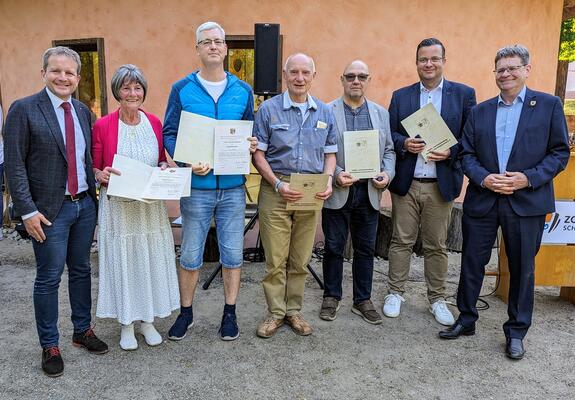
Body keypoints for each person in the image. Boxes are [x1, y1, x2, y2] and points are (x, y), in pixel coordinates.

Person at [439, 45, 570, 360]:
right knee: (471, 263)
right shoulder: (480, 111)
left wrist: (527, 178)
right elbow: (466, 154)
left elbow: (559, 153)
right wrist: (484, 178)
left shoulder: (549, 106)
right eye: (500, 69)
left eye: (512, 68)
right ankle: (467, 319)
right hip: (484, 199)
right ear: (494, 73)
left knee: (523, 268)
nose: (506, 74)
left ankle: (516, 332)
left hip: (526, 200)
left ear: (527, 69)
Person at [3, 46, 108, 377]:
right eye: (56, 71)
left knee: (80, 271)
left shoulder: (81, 110)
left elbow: (81, 160)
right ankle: (49, 345)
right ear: (44, 73)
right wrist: (27, 211)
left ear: (78, 78)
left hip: (83, 205)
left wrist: (96, 177)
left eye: (69, 72)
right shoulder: (23, 109)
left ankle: (82, 331)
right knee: (48, 278)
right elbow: (14, 166)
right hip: (49, 212)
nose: (63, 77)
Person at [163, 21, 256, 342]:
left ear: (226, 48)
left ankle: (229, 314)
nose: (213, 46)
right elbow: (170, 132)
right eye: (206, 41)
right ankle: (185, 313)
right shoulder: (182, 88)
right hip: (197, 189)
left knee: (233, 255)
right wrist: (187, 160)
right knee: (190, 255)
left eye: (218, 41)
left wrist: (251, 144)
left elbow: (249, 131)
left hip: (232, 189)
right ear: (198, 48)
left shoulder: (243, 90)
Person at [385, 38, 476, 325]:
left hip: (441, 183)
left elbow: (471, 138)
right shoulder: (401, 96)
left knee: (436, 244)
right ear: (416, 63)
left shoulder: (463, 95)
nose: (429, 64)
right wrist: (404, 144)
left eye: (434, 59)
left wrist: (451, 151)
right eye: (423, 59)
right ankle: (395, 292)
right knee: (401, 240)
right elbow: (389, 135)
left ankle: (437, 298)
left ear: (443, 61)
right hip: (407, 181)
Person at [92, 64, 180, 351]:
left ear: (144, 91)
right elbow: (93, 166)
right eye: (126, 87)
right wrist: (99, 175)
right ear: (117, 91)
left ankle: (147, 321)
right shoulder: (103, 125)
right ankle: (127, 324)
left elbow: (160, 161)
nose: (132, 93)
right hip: (119, 209)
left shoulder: (154, 122)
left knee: (150, 261)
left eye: (137, 87)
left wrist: (165, 167)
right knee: (125, 262)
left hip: (149, 209)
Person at [253, 53, 337, 338]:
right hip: (276, 189)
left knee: (300, 258)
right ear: (285, 76)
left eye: (305, 73)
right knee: (276, 259)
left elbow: (330, 154)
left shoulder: (325, 113)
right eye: (294, 73)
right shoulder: (268, 110)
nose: (299, 78)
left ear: (313, 76)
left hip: (310, 190)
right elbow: (258, 155)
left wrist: (327, 180)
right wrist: (277, 184)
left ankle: (294, 311)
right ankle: (275, 313)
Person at [320, 60, 396, 324]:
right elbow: (320, 151)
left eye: (361, 76)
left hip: (369, 192)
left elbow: (389, 151)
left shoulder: (380, 113)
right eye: (350, 76)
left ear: (368, 80)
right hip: (340, 190)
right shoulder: (326, 111)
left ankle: (362, 299)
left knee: (365, 248)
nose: (356, 81)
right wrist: (336, 172)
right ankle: (331, 296)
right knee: (333, 247)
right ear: (342, 79)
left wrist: (387, 174)